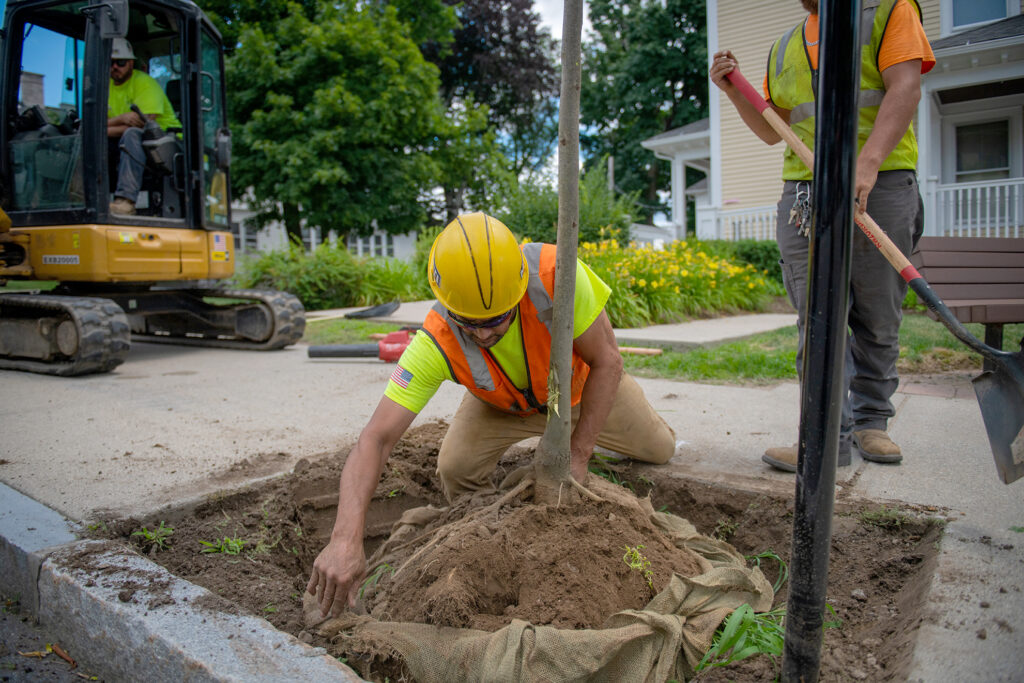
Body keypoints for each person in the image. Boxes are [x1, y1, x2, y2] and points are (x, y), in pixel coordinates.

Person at [306, 212, 677, 617]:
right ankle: (497, 528)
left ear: (517, 291)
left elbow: (608, 362)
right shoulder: (436, 338)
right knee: (455, 468)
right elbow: (374, 439)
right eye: (469, 324)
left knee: (660, 448)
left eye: (497, 320)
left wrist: (578, 454)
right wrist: (345, 538)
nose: (483, 335)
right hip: (503, 407)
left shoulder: (560, 276)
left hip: (579, 391)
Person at [709, 0, 934, 472]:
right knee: (817, 318)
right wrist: (734, 92)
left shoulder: (889, 11)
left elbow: (906, 88)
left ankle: (873, 422)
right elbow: (775, 130)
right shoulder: (786, 45)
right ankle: (826, 436)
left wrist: (866, 163)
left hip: (881, 181)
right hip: (805, 193)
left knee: (877, 312)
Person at [106, 38, 181, 216]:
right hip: (127, 139)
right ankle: (82, 196)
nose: (115, 67)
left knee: (132, 134)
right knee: (89, 140)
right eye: (111, 63)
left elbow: (144, 124)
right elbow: (92, 122)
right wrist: (122, 118)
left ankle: (126, 201)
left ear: (131, 63)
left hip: (165, 142)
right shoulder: (105, 87)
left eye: (121, 62)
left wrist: (103, 129)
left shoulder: (144, 83)